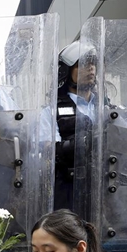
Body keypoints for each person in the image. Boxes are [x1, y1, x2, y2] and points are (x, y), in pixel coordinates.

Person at [54, 41, 98, 211]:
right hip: (69, 190)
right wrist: (81, 144)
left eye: (93, 64)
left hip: (105, 188)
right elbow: (48, 150)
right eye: (83, 64)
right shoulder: (51, 110)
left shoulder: (105, 108)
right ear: (66, 71)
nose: (91, 68)